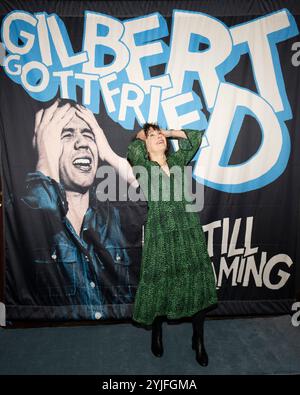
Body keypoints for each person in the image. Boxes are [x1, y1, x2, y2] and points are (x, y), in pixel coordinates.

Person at [5, 98, 146, 321]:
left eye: (89, 135)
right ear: (45, 143)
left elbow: (161, 196)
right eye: (66, 134)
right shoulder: (22, 214)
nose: (82, 143)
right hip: (60, 345)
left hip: (121, 340)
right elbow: (41, 208)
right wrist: (44, 159)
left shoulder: (118, 218)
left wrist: (108, 152)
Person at [127, 123, 218, 366]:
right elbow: (133, 145)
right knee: (160, 288)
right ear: (145, 145)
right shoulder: (143, 166)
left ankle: (198, 339)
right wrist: (146, 134)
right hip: (160, 235)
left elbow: (195, 137)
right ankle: (157, 332)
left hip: (189, 232)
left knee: (197, 287)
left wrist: (167, 133)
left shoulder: (178, 162)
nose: (158, 137)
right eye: (152, 136)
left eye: (159, 135)